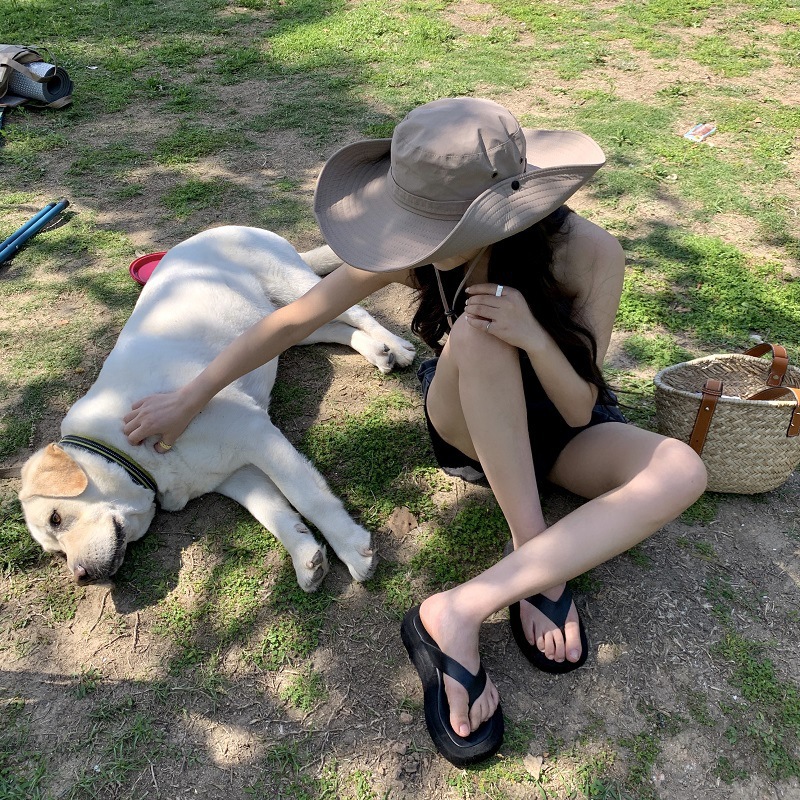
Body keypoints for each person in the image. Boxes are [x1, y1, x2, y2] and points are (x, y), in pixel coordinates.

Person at [123, 97, 707, 766]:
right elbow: (293, 320)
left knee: (683, 469)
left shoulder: (591, 253)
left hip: (565, 429)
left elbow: (579, 409)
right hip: (472, 421)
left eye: (435, 226)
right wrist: (189, 398)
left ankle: (461, 608)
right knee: (479, 337)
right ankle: (534, 552)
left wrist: (535, 338)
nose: (414, 239)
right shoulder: (419, 246)